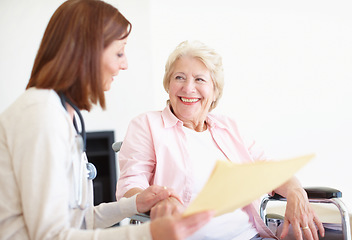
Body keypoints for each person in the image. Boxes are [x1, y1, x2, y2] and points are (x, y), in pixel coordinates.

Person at [0, 1, 213, 239]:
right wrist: (150, 233)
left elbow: (78, 221)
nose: (125, 64)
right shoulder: (40, 115)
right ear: (87, 52)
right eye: (119, 52)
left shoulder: (60, 114)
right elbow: (51, 235)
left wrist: (133, 204)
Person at [116, 40, 325, 240]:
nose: (188, 88)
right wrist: (159, 199)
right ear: (168, 84)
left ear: (215, 91)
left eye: (199, 79)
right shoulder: (147, 125)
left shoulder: (228, 127)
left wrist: (296, 192)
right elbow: (130, 186)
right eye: (179, 77)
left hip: (249, 236)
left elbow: (270, 170)